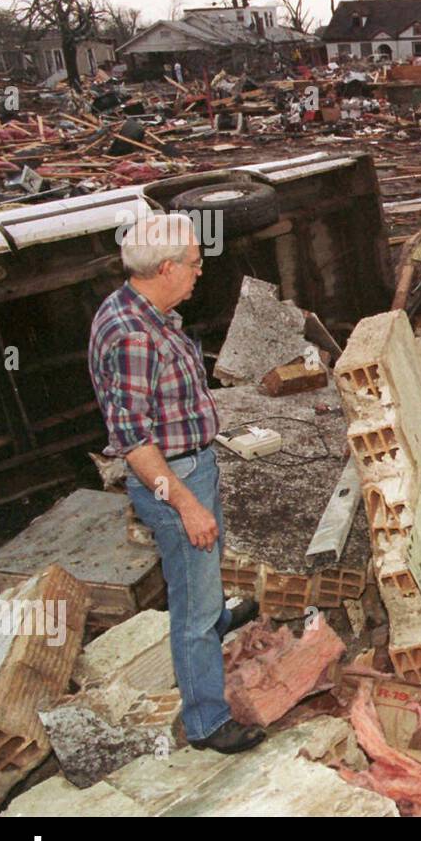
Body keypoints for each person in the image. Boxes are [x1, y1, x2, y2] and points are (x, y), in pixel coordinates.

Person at [88, 212, 263, 754]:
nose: (199, 272)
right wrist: (186, 504)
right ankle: (208, 721)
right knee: (190, 609)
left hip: (192, 463)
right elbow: (135, 443)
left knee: (202, 575)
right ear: (164, 268)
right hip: (173, 475)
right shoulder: (132, 336)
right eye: (192, 263)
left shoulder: (148, 311)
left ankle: (212, 612)